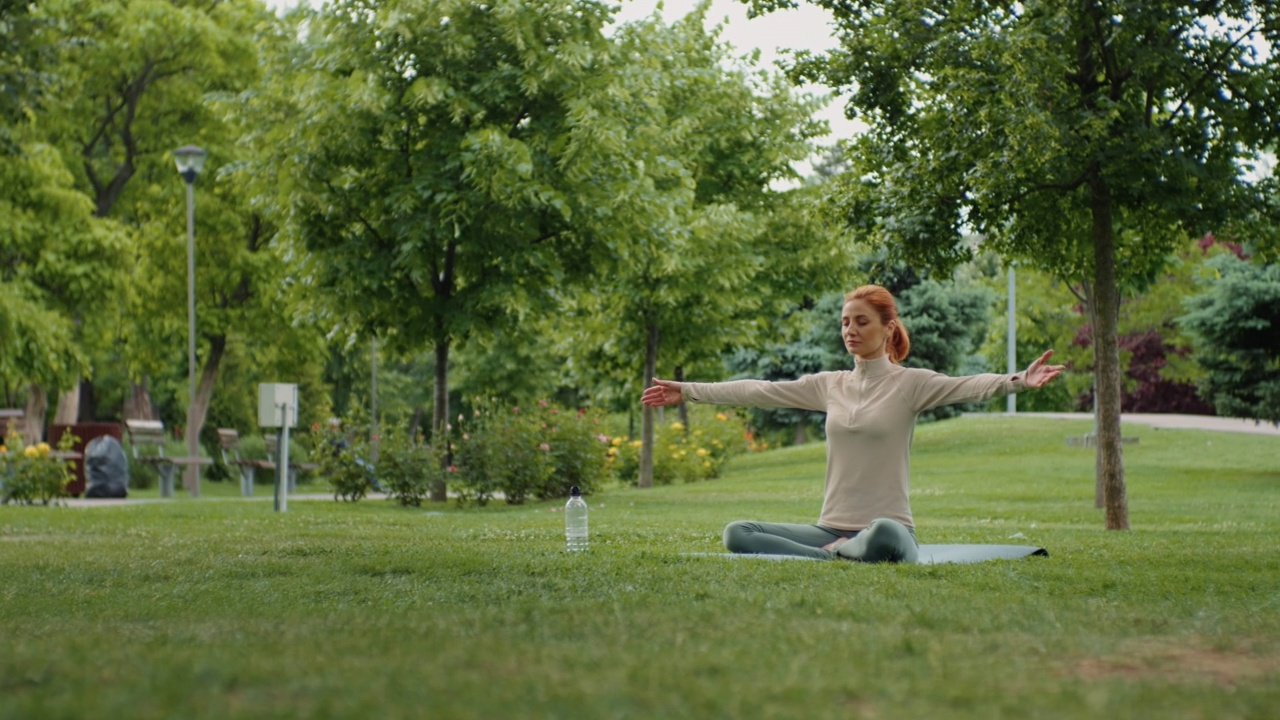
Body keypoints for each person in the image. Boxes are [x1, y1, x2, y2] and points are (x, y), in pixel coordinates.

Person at [641, 284, 1065, 563]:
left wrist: (1019, 382)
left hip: (890, 528)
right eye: (845, 322)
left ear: (887, 328)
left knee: (883, 533)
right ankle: (834, 553)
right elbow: (758, 391)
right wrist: (689, 389)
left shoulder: (911, 384)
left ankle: (844, 551)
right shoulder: (830, 385)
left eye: (861, 322)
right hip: (828, 527)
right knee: (738, 532)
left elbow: (969, 385)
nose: (850, 330)